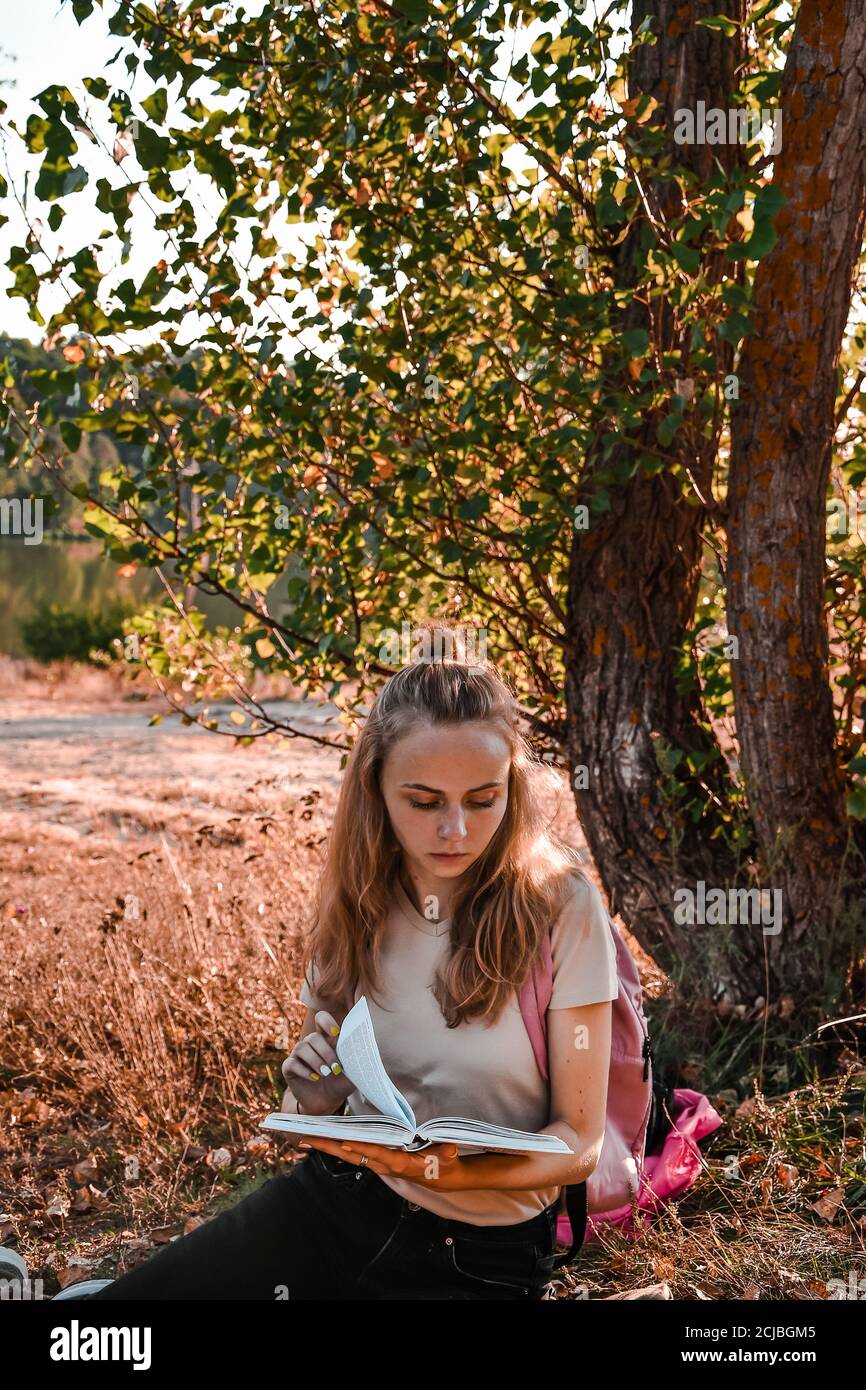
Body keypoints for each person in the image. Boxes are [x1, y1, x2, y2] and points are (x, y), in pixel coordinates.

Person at [3, 632, 618, 1300]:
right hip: (336, 1207)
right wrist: (312, 1099)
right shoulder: (358, 902)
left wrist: (453, 1174)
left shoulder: (561, 906)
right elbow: (310, 1099)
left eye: (481, 799)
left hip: (478, 1257)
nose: (456, 832)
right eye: (422, 800)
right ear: (376, 788)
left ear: (511, 789)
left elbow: (578, 1144)